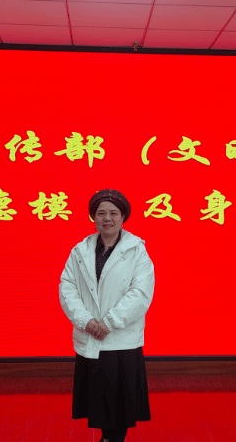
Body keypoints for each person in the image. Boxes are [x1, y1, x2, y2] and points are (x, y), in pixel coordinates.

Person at [59, 189, 154, 442]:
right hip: (90, 333)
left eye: (113, 213)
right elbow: (67, 287)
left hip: (121, 339)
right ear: (94, 218)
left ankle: (112, 439)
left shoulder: (137, 251)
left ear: (123, 217)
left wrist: (109, 322)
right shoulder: (80, 250)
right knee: (98, 399)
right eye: (101, 213)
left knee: (119, 403)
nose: (107, 218)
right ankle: (106, 438)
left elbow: (140, 293)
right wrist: (86, 321)